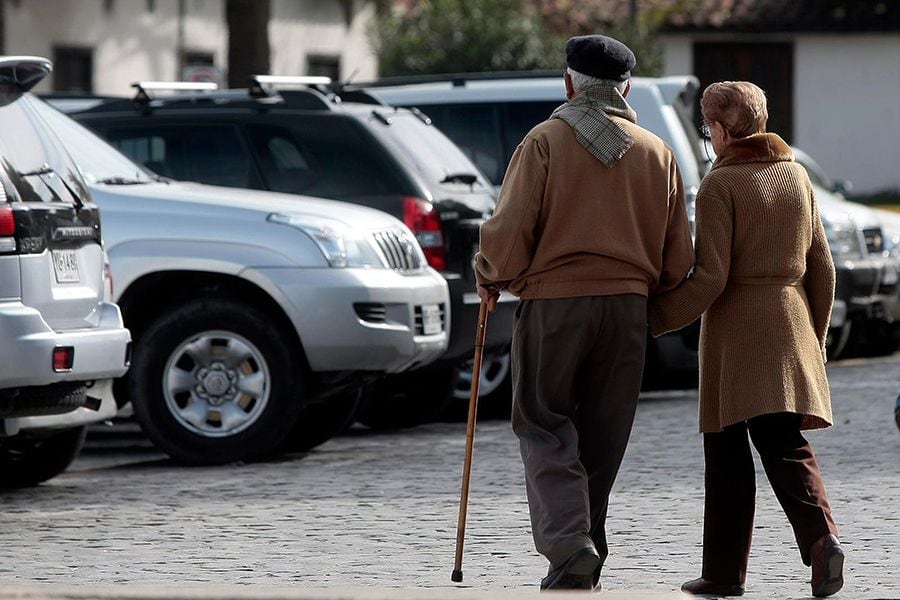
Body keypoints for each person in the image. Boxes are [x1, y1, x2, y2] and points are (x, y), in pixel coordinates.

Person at [474, 34, 694, 591]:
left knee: (544, 422)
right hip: (628, 309)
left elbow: (510, 229)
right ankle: (581, 551)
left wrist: (489, 273)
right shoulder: (657, 152)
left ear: (569, 82)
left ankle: (571, 545)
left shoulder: (546, 140)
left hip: (555, 303)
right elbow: (677, 257)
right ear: (627, 88)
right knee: (603, 432)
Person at [648, 81, 844, 598]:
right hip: (792, 319)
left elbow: (711, 277)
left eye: (708, 126)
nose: (707, 136)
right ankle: (821, 539)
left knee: (728, 449)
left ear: (722, 129)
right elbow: (822, 267)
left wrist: (656, 320)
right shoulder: (795, 176)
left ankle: (725, 571)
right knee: (784, 440)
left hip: (738, 330)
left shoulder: (720, 185)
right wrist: (815, 338)